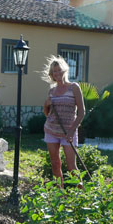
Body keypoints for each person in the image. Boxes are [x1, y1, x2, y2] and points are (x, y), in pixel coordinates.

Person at [42, 56, 85, 186]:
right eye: (54, 71)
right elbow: (47, 114)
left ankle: (81, 195)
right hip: (51, 130)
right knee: (55, 164)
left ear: (64, 70)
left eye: (59, 70)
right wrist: (46, 104)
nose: (57, 73)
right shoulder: (52, 91)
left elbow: (82, 112)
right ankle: (59, 194)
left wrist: (72, 131)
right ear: (52, 74)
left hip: (68, 132)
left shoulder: (74, 87)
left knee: (72, 167)